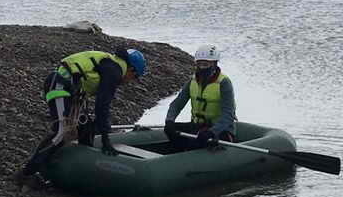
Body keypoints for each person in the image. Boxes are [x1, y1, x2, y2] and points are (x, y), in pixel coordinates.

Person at [19, 47, 148, 180]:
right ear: (131, 69)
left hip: (72, 93)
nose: (130, 81)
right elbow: (102, 105)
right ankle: (27, 173)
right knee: (62, 131)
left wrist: (102, 130)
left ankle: (82, 170)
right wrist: (105, 137)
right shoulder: (114, 70)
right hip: (59, 86)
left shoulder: (111, 65)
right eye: (135, 76)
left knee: (86, 129)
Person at [164, 43, 237, 149]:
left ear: (214, 64)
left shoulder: (224, 83)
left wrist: (212, 132)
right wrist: (169, 120)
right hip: (197, 126)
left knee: (200, 142)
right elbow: (177, 104)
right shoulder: (192, 81)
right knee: (170, 130)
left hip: (221, 130)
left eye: (205, 64)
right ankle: (179, 154)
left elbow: (228, 115)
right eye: (199, 64)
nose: (202, 67)